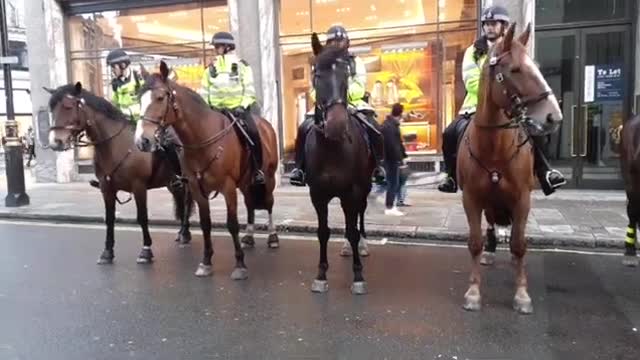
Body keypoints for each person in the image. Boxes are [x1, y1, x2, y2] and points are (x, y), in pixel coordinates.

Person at [437, 5, 566, 196]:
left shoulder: (515, 49)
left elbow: (523, 76)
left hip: (512, 106)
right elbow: (471, 81)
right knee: (449, 134)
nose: (489, 28)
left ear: (503, 26)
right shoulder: (473, 51)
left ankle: (546, 171)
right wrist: (492, 83)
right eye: (486, 24)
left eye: (494, 24)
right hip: (475, 107)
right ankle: (451, 177)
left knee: (535, 132)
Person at [289, 25, 385, 187]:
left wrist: (340, 97)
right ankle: (300, 168)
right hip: (326, 105)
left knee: (374, 127)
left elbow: (360, 86)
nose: (337, 44)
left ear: (347, 43)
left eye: (340, 41)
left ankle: (378, 166)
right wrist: (326, 99)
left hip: (353, 104)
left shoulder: (355, 62)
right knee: (304, 128)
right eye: (333, 42)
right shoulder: (321, 61)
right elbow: (314, 88)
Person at [89, 49, 183, 189]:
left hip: (145, 120)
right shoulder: (115, 83)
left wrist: (129, 112)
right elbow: (115, 103)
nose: (112, 70)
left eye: (113, 67)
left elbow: (147, 101)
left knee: (167, 142)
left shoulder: (139, 78)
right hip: (125, 122)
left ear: (122, 65)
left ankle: (176, 176)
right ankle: (106, 177)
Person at [200, 32, 265, 185]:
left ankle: (257, 170)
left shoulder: (242, 66)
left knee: (253, 133)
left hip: (238, 111)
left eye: (218, 46)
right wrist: (207, 109)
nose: (215, 49)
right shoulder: (209, 69)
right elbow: (204, 92)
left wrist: (242, 106)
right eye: (215, 46)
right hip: (215, 112)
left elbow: (249, 90)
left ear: (227, 47)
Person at [381, 103, 407, 216]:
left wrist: (403, 156)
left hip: (390, 158)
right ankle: (389, 207)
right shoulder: (390, 126)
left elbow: (397, 143)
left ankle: (391, 205)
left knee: (394, 183)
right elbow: (393, 145)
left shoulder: (390, 124)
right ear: (400, 113)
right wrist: (400, 159)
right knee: (393, 183)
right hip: (391, 160)